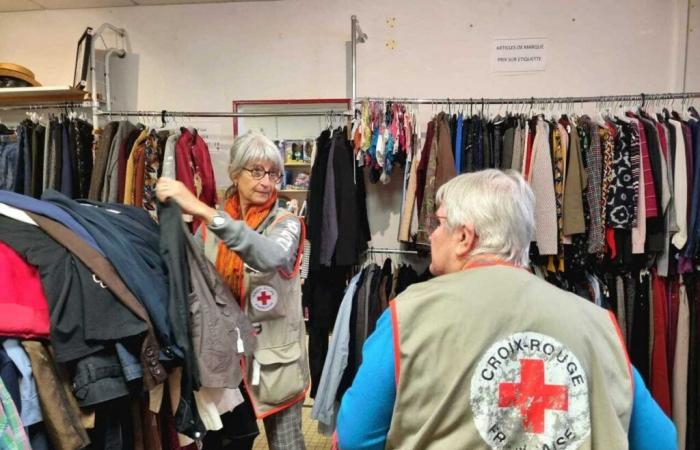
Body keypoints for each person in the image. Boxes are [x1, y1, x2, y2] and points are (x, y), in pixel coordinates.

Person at [336, 170, 677, 450]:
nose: (432, 234)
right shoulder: (598, 323)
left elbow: (355, 439)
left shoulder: (407, 315)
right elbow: (661, 441)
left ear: (464, 237)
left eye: (438, 223)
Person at [156, 130, 309, 450]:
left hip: (275, 366)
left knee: (287, 445)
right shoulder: (209, 231)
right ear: (234, 174)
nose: (267, 182)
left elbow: (267, 256)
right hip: (225, 364)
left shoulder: (287, 223)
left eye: (273, 173)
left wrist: (203, 210)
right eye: (256, 171)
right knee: (225, 443)